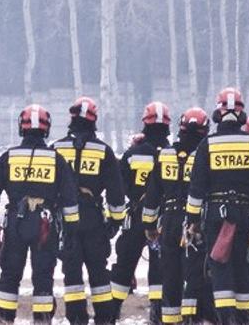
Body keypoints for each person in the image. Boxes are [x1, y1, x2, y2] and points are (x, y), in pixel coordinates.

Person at [184, 88, 249, 324]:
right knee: (244, 264)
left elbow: (197, 188)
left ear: (218, 113)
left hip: (216, 215)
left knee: (220, 264)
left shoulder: (208, 144)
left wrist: (192, 220)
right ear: (242, 114)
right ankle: (245, 317)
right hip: (245, 215)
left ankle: (226, 317)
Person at [0, 104, 83, 322]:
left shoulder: (8, 158)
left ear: (22, 128)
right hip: (44, 227)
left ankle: (5, 316)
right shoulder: (56, 160)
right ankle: (42, 319)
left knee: (10, 275)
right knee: (43, 276)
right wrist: (71, 231)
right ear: (46, 129)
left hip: (14, 225)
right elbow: (69, 201)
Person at [55, 97, 129, 325]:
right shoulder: (104, 152)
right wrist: (115, 221)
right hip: (93, 218)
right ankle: (105, 318)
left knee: (72, 273)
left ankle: (76, 318)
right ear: (94, 121)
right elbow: (116, 193)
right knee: (98, 272)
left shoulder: (56, 148)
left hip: (66, 219)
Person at [141, 107, 209, 325]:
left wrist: (149, 225)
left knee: (170, 276)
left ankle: (169, 320)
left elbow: (152, 195)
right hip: (193, 223)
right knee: (193, 274)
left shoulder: (165, 154)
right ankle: (191, 319)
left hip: (168, 223)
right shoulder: (204, 154)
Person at [109, 102, 173, 321]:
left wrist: (135, 196)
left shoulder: (133, 153)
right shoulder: (171, 154)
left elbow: (119, 183)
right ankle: (157, 311)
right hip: (163, 218)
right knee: (159, 265)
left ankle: (113, 309)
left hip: (136, 215)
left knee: (125, 263)